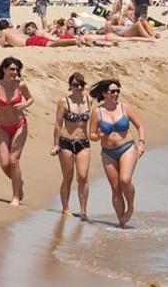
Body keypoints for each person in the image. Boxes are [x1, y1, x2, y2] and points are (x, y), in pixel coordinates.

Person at [88, 78, 146, 228]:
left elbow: (140, 126)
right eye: (112, 91)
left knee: (125, 180)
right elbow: (91, 135)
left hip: (127, 147)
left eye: (117, 91)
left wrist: (141, 143)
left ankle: (131, 206)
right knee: (115, 187)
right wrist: (98, 135)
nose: (116, 94)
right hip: (108, 152)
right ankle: (122, 223)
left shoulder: (125, 108)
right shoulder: (97, 112)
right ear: (104, 93)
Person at [0, 57, 33, 206]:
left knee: (14, 161)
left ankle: (16, 196)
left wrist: (24, 105)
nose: (15, 72)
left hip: (19, 125)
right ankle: (19, 183)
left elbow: (30, 98)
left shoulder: (21, 85)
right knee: (4, 163)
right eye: (12, 69)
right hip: (3, 127)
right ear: (4, 69)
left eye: (17, 70)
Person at [51, 72, 94, 220]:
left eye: (82, 85)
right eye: (76, 85)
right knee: (68, 177)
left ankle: (83, 210)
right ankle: (66, 208)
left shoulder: (89, 100)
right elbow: (58, 124)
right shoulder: (64, 101)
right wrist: (55, 144)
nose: (79, 87)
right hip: (66, 142)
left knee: (83, 176)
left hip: (83, 142)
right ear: (70, 86)